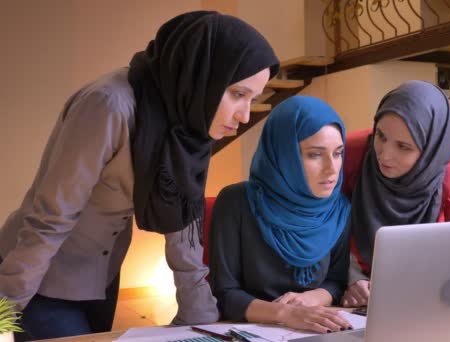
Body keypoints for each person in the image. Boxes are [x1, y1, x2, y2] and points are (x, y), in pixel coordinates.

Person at [0, 11, 279, 341]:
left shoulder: (189, 121)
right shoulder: (108, 105)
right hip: (42, 276)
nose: (245, 115)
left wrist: (202, 322)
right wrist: (6, 308)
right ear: (203, 73)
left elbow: (183, 226)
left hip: (101, 277)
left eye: (253, 99)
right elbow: (51, 218)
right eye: (237, 94)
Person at [209, 96, 353, 334]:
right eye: (315, 154)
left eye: (338, 153)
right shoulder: (235, 203)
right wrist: (286, 313)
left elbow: (336, 282)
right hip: (249, 333)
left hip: (315, 331)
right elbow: (224, 293)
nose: (332, 168)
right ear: (284, 154)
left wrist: (311, 300)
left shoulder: (339, 208)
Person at [340, 81, 450, 307]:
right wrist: (352, 277)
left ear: (431, 150)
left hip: (426, 285)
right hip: (359, 282)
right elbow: (327, 226)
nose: (384, 156)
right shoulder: (352, 152)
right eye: (381, 136)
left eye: (403, 147)